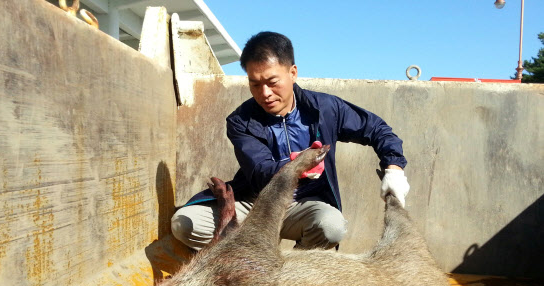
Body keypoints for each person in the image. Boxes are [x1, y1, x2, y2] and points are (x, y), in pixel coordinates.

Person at [171, 31, 409, 251]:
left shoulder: (326, 108)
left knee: (332, 228)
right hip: (255, 204)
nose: (264, 93)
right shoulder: (240, 121)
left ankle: (292, 273)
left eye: (272, 82)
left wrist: (394, 168)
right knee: (185, 224)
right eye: (255, 83)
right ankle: (253, 261)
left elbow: (377, 129)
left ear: (292, 73)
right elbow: (261, 171)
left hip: (304, 205)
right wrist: (301, 164)